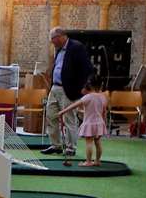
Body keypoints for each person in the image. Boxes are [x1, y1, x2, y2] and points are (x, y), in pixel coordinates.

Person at [45, 27, 92, 155]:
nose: (52, 42)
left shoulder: (76, 47)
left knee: (69, 118)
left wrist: (82, 86)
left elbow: (87, 68)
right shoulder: (58, 49)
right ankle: (56, 145)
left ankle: (71, 148)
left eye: (53, 39)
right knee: (51, 115)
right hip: (55, 87)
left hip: (69, 89)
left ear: (60, 36)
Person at [57, 88, 109, 167]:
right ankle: (97, 161)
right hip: (99, 123)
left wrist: (62, 112)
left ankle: (88, 161)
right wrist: (104, 123)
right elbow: (103, 111)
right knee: (98, 142)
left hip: (89, 124)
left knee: (89, 142)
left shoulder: (87, 97)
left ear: (88, 87)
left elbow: (72, 106)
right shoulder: (102, 97)